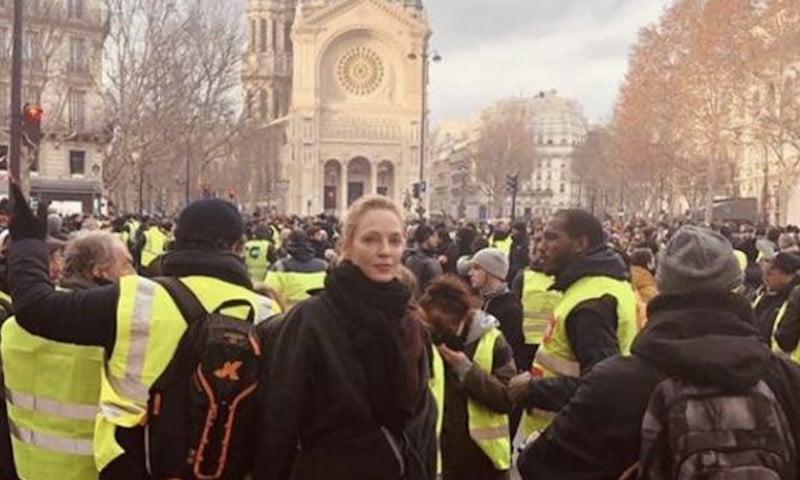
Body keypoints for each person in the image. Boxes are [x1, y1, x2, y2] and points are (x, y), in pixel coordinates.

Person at [6, 185, 277, 479]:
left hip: (136, 462)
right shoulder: (267, 312)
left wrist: (28, 244)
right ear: (238, 246)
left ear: (175, 241)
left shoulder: (138, 298)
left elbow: (36, 309)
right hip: (222, 465)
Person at [517, 225, 800, 480]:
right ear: (736, 287)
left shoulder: (616, 383)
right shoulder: (786, 379)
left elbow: (539, 466)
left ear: (662, 286)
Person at [259, 195, 435, 480]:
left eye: (395, 240)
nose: (385, 251)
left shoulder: (411, 323)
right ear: (347, 246)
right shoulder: (309, 320)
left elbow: (423, 428)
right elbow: (278, 424)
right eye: (371, 240)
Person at [1, 231, 134, 480]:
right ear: (99, 271)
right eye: (126, 264)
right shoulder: (113, 332)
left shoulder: (13, 326)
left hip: (28, 467)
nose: (133, 275)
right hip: (93, 470)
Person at [507, 209, 637, 439]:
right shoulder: (598, 286)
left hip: (567, 444)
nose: (540, 247)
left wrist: (532, 389)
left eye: (551, 238)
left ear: (580, 244)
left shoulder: (591, 305)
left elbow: (602, 387)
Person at [421, 275, 516, 480]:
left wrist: (465, 368)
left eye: (444, 328)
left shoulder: (493, 341)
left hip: (483, 461)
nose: (438, 335)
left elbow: (508, 398)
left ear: (462, 319)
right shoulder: (423, 341)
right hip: (439, 460)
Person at [264, 228, 327, 306]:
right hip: (318, 314)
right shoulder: (323, 266)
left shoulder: (280, 267)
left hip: (289, 314)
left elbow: (269, 292)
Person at [753, 252, 800, 347]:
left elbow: (785, 339)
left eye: (770, 274)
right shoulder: (763, 294)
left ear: (788, 275)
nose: (765, 278)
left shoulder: (794, 302)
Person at [404, 224, 443, 294]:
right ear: (426, 237)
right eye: (434, 236)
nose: (436, 239)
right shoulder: (421, 260)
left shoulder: (412, 257)